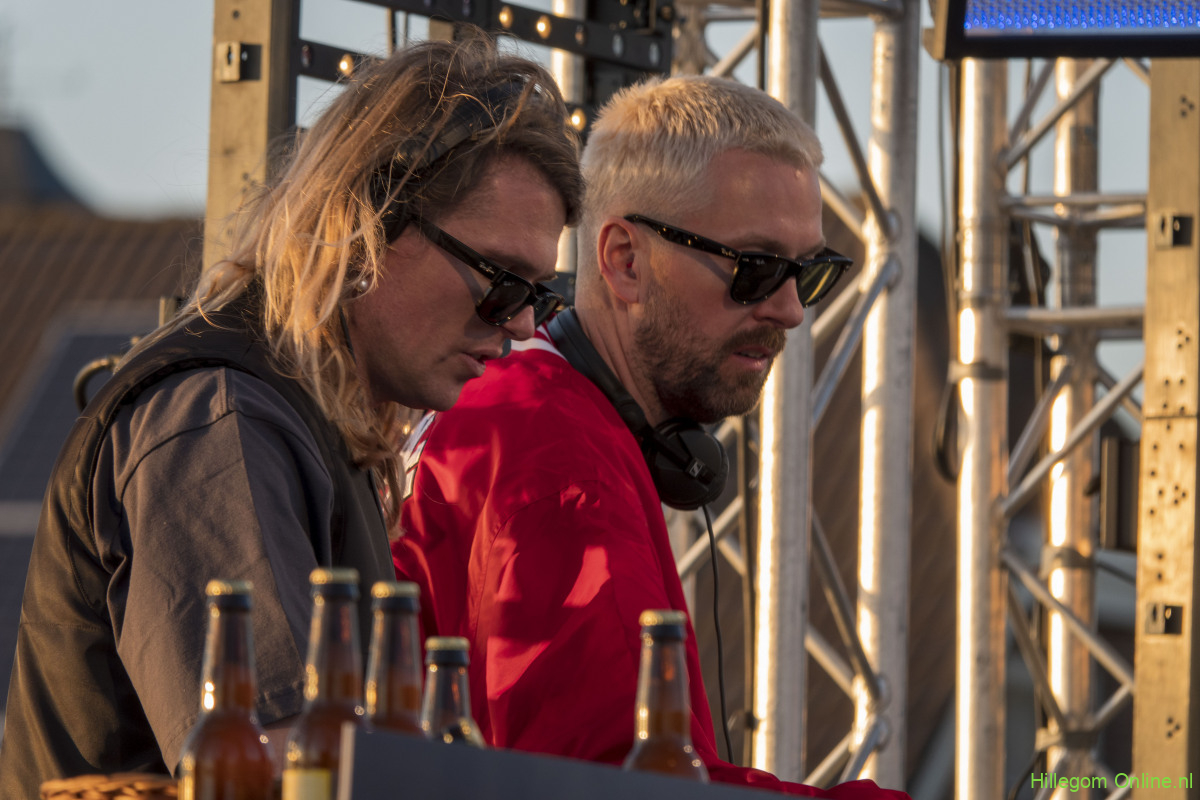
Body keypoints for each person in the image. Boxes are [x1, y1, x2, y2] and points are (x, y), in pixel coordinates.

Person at [0, 33, 582, 797]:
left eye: (540, 297)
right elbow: (279, 770)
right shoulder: (222, 423)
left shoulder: (295, 417)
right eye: (501, 281)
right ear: (368, 225)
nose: (521, 325)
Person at [393, 74, 908, 799]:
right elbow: (620, 784)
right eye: (757, 269)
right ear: (625, 261)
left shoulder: (523, 404)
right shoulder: (558, 462)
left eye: (810, 273)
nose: (792, 309)